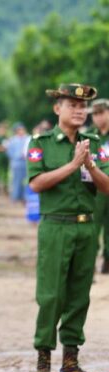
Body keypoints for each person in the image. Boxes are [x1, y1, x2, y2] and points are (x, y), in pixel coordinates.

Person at [28, 83, 109, 372]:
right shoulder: (41, 142)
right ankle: (43, 363)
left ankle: (71, 363)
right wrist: (72, 165)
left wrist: (89, 164)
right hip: (55, 225)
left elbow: (106, 186)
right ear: (57, 108)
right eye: (71, 104)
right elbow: (36, 183)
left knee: (79, 295)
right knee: (51, 295)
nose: (78, 110)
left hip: (86, 226)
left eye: (82, 105)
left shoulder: (93, 142)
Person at [88, 98, 109, 274]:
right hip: (96, 189)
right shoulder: (90, 136)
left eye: (101, 112)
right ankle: (89, 262)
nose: (98, 117)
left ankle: (108, 261)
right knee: (92, 226)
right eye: (94, 114)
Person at [6, 122, 29, 203]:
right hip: (16, 163)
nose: (21, 131)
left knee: (26, 180)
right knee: (16, 180)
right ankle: (15, 197)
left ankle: (25, 197)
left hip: (26, 162)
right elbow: (9, 152)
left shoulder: (28, 138)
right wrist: (16, 157)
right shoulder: (13, 140)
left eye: (22, 129)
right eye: (19, 130)